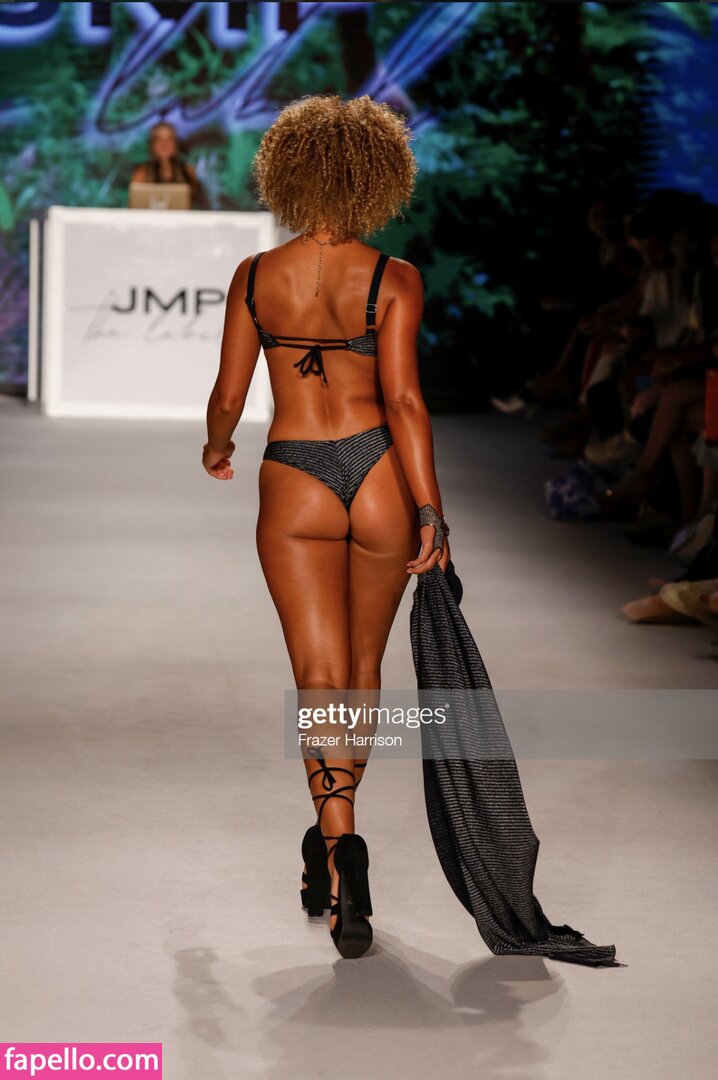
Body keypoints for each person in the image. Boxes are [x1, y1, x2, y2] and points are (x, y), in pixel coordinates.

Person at [202, 94, 450, 959]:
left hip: (296, 474)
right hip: (378, 471)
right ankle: (339, 838)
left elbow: (230, 394)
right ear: (378, 177)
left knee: (316, 673)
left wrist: (217, 446)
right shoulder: (395, 277)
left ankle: (339, 841)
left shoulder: (255, 276)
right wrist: (430, 507)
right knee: (362, 669)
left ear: (288, 173)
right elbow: (406, 401)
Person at [130, 121, 207, 209]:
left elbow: (198, 204)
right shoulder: (142, 173)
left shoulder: (187, 171)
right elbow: (134, 205)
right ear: (152, 145)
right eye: (159, 140)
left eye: (169, 139)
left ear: (176, 144)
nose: (164, 144)